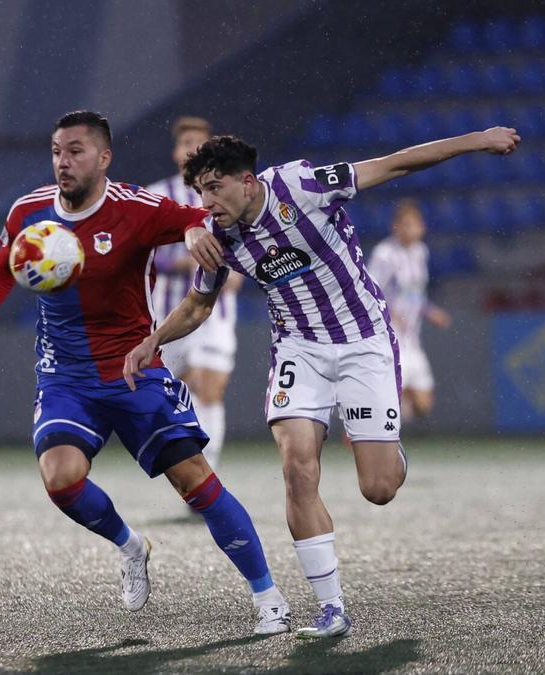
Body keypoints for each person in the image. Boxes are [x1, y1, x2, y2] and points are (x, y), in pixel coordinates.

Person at [125, 127, 520, 638]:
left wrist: (478, 139)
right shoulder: (217, 236)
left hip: (363, 339)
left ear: (248, 182)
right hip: (298, 349)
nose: (207, 201)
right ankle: (331, 607)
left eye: (216, 187)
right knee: (296, 468)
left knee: (378, 488)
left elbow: (395, 161)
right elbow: (200, 304)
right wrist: (151, 341)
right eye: (200, 190)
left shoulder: (304, 186)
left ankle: (388, 450)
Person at [0, 111, 291, 635]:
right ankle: (130, 545)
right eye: (56, 152)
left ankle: (269, 598)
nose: (62, 162)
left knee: (196, 483)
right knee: (61, 477)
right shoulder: (28, 211)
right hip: (65, 377)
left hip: (134, 368)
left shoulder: (135, 208)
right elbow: (1, 271)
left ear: (103, 157)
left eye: (74, 151)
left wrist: (188, 232)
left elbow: (189, 217)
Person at [146, 116, 243, 473]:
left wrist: (240, 273)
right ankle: (188, 469)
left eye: (201, 143)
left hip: (216, 314)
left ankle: (208, 473)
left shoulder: (229, 194)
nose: (194, 150)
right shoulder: (157, 196)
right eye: (187, 142)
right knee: (175, 397)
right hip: (170, 313)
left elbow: (246, 243)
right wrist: (187, 259)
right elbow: (144, 251)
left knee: (209, 386)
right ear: (176, 151)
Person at [366, 200, 452, 421]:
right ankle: (365, 428)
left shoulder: (420, 252)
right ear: (396, 227)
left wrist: (430, 311)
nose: (411, 229)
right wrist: (391, 315)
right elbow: (369, 291)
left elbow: (415, 293)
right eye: (405, 224)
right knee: (392, 393)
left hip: (412, 338)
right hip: (390, 336)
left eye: (414, 224)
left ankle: (373, 419)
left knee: (423, 404)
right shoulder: (384, 254)